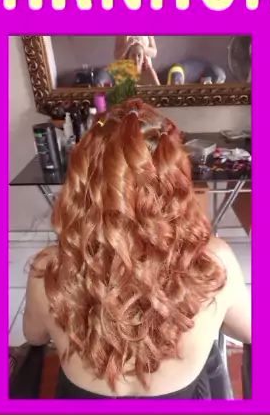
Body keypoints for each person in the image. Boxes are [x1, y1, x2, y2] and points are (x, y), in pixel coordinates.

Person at [23, 99, 251, 398]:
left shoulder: (48, 269)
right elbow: (249, 331)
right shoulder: (213, 263)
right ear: (174, 180)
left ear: (83, 182)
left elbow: (34, 336)